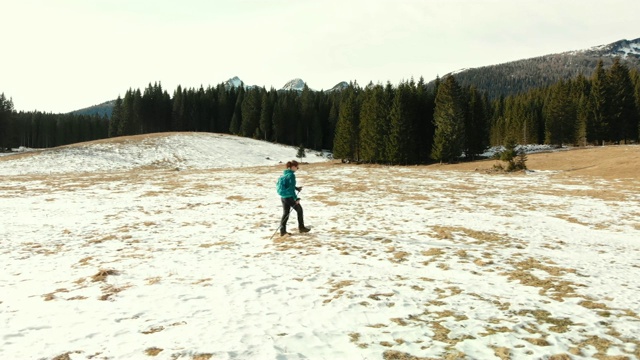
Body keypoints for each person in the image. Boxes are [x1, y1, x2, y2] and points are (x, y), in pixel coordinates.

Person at [276, 160, 311, 236]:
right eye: (297, 167)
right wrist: (296, 199)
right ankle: (301, 228)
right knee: (300, 210)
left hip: (283, 197)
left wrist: (296, 188)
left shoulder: (284, 174)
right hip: (289, 197)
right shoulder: (291, 175)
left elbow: (288, 185)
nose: (297, 168)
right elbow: (291, 189)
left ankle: (282, 231)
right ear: (292, 167)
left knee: (285, 213)